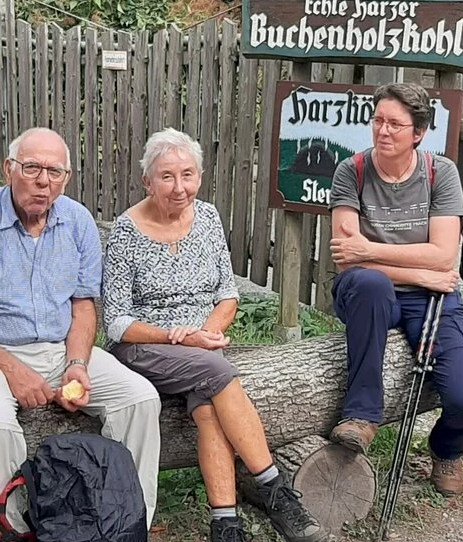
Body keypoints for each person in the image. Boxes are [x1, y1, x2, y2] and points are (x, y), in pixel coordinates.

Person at [0, 127, 162, 542]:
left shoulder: (77, 221)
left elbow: (83, 306)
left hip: (60, 349)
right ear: (8, 169)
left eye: (54, 171)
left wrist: (76, 364)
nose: (43, 181)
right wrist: (14, 371)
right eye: (32, 167)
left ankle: (125, 526)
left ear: (67, 177)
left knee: (140, 398)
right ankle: (8, 532)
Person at [101, 128, 324, 542]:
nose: (179, 187)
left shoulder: (206, 217)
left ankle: (225, 525)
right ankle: (276, 492)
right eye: (166, 176)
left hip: (200, 349)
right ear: (146, 181)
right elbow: (115, 322)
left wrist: (207, 332)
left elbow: (227, 294)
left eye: (188, 174)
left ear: (199, 177)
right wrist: (180, 338)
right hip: (143, 346)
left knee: (207, 411)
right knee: (216, 372)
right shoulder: (126, 232)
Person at [325, 82, 463, 496]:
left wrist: (372, 249)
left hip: (432, 298)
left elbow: (443, 256)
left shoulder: (440, 173)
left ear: (417, 133)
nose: (383, 131)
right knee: (367, 282)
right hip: (370, 294)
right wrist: (416, 273)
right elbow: (347, 258)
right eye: (377, 120)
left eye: (395, 125)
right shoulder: (353, 171)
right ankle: (361, 417)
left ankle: (447, 448)